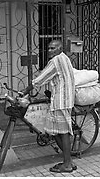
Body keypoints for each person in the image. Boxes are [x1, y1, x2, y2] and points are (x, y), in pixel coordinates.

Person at [23, 39, 76, 173]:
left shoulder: (56, 61)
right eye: (49, 48)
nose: (50, 51)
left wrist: (24, 91)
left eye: (53, 48)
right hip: (64, 99)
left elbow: (41, 79)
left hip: (60, 102)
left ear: (60, 49)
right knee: (57, 131)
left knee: (62, 133)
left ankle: (67, 164)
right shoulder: (65, 58)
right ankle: (68, 160)